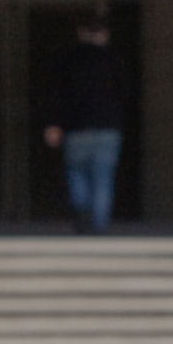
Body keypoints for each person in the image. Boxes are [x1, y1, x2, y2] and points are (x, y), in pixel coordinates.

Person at [47, 13, 129, 234]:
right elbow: (125, 93)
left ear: (81, 33)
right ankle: (98, 225)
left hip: (76, 128)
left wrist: (54, 124)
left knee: (76, 172)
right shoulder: (114, 60)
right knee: (103, 177)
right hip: (108, 128)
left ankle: (82, 210)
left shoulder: (69, 60)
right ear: (105, 35)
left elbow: (57, 94)